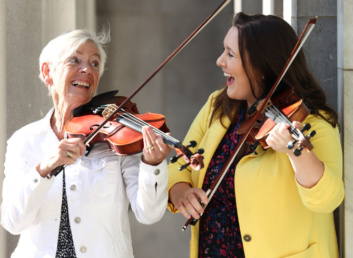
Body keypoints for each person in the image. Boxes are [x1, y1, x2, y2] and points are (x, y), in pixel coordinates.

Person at [167, 12, 344, 258]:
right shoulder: (216, 107)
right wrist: (181, 192)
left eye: (230, 54)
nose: (220, 61)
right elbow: (181, 161)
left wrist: (296, 152)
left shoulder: (312, 123)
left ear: (261, 67)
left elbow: (328, 200)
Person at [1, 29, 171, 258]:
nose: (87, 70)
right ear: (47, 72)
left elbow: (148, 213)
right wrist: (45, 168)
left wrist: (153, 166)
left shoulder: (116, 136)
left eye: (94, 64)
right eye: (75, 59)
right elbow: (13, 222)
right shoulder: (24, 140)